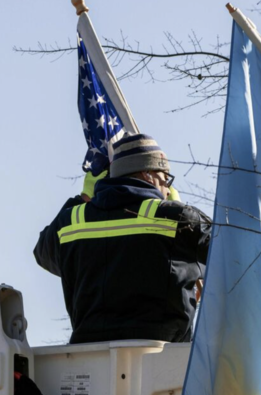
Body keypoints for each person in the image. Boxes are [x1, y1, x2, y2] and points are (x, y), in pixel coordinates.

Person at [34, 134, 211, 344]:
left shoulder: (71, 221)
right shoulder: (177, 219)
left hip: (89, 358)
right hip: (163, 360)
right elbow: (231, 250)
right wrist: (182, 213)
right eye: (166, 179)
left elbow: (42, 253)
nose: (166, 188)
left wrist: (83, 199)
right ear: (148, 175)